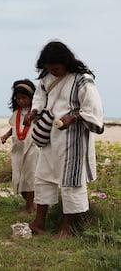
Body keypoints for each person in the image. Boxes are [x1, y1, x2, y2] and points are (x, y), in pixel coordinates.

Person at [23, 41, 104, 238]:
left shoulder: (82, 80)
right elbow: (40, 98)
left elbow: (93, 109)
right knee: (43, 176)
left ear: (66, 62)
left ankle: (68, 228)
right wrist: (34, 112)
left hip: (73, 138)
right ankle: (39, 222)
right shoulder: (46, 77)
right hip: (50, 135)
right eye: (50, 68)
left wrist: (74, 117)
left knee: (71, 182)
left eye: (56, 68)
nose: (53, 72)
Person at [1, 79, 39, 215]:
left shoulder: (35, 114)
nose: (21, 101)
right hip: (18, 149)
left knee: (29, 177)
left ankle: (29, 208)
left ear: (32, 97)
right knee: (18, 177)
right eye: (18, 98)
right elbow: (14, 128)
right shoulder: (16, 113)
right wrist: (6, 135)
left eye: (24, 98)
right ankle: (32, 203)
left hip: (32, 148)